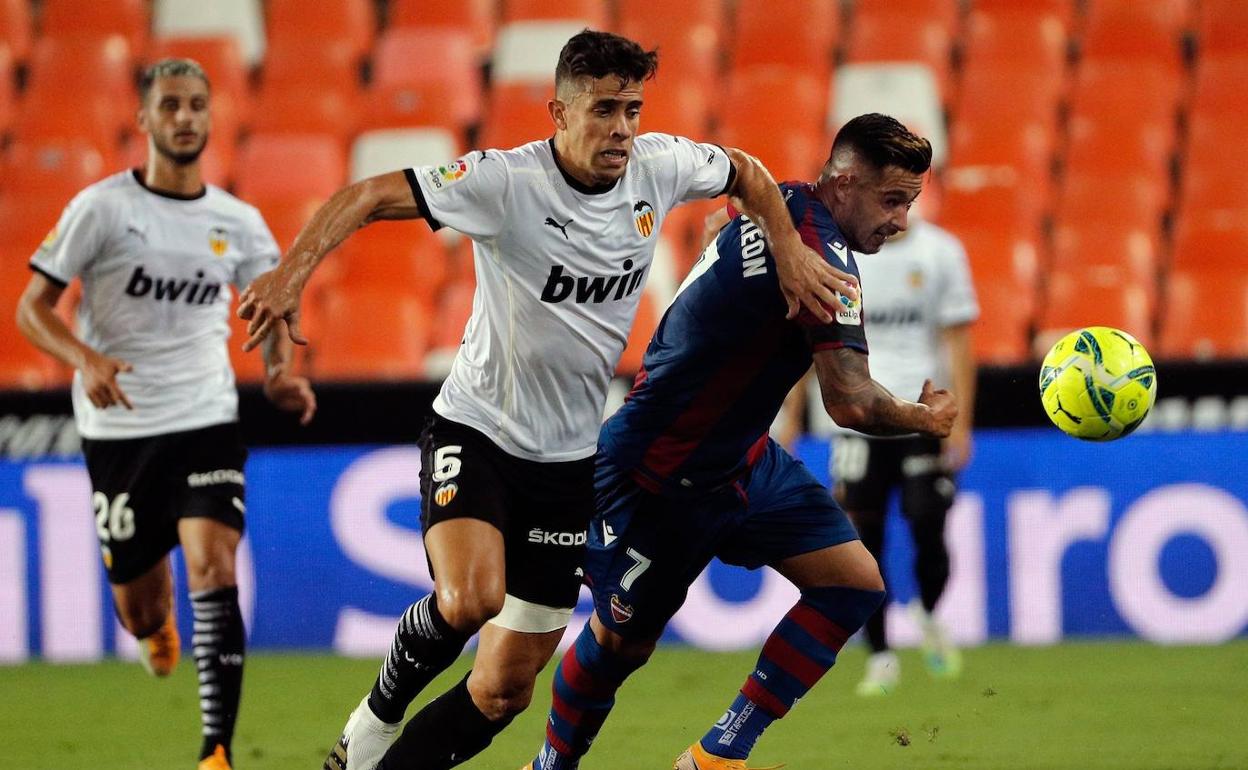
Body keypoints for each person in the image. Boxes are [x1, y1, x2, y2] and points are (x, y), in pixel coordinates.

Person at [237, 30, 857, 770]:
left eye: (631, 109)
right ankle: (373, 717)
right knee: (470, 600)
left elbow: (748, 174)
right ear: (557, 111)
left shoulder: (658, 166)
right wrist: (290, 275)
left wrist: (788, 249)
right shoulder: (504, 183)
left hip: (568, 464)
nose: (621, 128)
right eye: (603, 110)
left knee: (505, 689)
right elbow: (367, 194)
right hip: (477, 431)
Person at [520, 113, 956, 770]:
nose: (900, 220)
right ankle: (551, 765)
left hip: (741, 462)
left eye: (911, 203)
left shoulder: (781, 202)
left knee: (854, 582)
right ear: (844, 183)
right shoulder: (826, 269)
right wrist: (928, 420)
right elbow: (851, 401)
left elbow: (738, 201)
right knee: (619, 647)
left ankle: (719, 754)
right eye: (891, 200)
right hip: (655, 478)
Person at [15, 59, 316, 770]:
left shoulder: (237, 223)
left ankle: (216, 751)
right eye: (171, 106)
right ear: (144, 120)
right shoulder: (102, 209)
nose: (185, 118)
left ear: (212, 118)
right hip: (118, 428)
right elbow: (31, 309)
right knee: (140, 610)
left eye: (197, 106)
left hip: (205, 416)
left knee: (215, 562)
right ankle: (157, 631)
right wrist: (85, 358)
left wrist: (277, 373)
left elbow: (272, 306)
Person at [822, 201, 979, 695]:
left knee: (928, 523)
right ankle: (882, 656)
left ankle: (929, 613)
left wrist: (961, 422)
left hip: (921, 413)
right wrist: (788, 412)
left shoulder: (942, 253)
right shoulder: (841, 255)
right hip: (857, 419)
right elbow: (818, 338)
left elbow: (959, 343)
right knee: (863, 544)